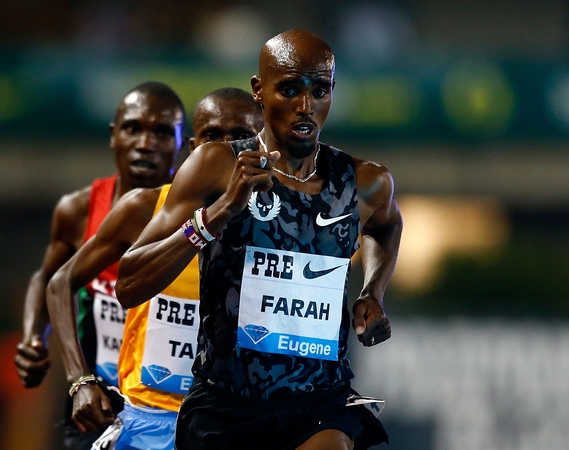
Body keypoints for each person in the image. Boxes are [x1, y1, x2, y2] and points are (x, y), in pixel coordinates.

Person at [117, 30, 402, 450]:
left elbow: (386, 226)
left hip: (319, 404)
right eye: (289, 89)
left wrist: (372, 290)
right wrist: (217, 216)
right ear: (259, 91)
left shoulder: (364, 181)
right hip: (225, 407)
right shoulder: (216, 165)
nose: (305, 106)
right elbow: (129, 283)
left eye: (319, 90)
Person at [46, 88, 264, 449]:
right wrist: (79, 379)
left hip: (233, 423)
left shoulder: (284, 225)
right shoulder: (146, 209)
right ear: (193, 148)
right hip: (149, 421)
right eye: (212, 138)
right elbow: (60, 283)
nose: (223, 152)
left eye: (240, 138)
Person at [13, 81, 186, 449]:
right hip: (97, 399)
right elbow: (48, 279)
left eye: (161, 132)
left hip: (168, 405)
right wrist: (33, 337)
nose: (145, 143)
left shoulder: (201, 218)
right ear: (113, 136)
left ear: (183, 145)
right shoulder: (78, 211)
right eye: (133, 128)